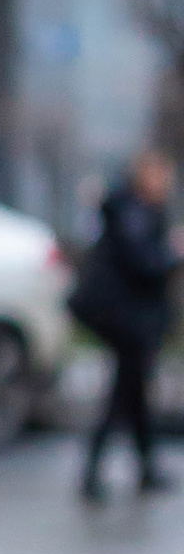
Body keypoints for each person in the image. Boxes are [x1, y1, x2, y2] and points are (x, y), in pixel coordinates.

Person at [75, 149, 177, 501]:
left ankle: (145, 469)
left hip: (133, 318)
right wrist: (175, 251)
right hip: (126, 318)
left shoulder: (137, 210)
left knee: (134, 395)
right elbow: (145, 264)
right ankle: (93, 472)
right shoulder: (132, 211)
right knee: (124, 395)